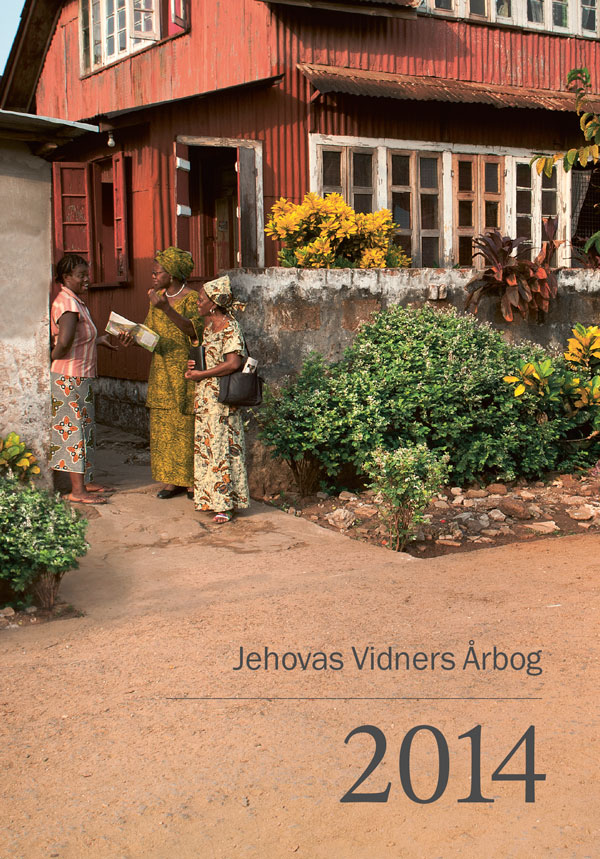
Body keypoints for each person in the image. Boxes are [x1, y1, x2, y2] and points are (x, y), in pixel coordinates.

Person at [50, 253, 118, 504]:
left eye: (87, 275)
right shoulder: (67, 304)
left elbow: (77, 339)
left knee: (86, 430)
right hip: (68, 378)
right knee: (74, 433)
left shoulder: (76, 301)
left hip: (81, 377)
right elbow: (65, 342)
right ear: (66, 277)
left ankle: (86, 482)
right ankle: (76, 491)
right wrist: (51, 357)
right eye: (81, 276)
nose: (86, 280)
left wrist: (98, 340)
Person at [184, 275, 250, 523]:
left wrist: (203, 373)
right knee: (208, 450)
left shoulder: (231, 327)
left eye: (201, 299)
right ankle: (210, 499)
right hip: (205, 398)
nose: (198, 303)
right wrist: (195, 366)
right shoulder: (209, 328)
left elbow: (234, 363)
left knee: (222, 450)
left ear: (213, 303)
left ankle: (225, 504)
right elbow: (211, 358)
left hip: (222, 399)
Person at [144, 248, 203, 499]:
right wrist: (133, 337)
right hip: (160, 368)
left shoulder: (192, 299)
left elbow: (194, 331)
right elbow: (149, 329)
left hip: (184, 368)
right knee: (163, 424)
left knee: (185, 424)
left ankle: (190, 481)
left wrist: (167, 309)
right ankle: (171, 480)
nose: (154, 276)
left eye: (158, 272)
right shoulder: (155, 297)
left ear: (174, 274)